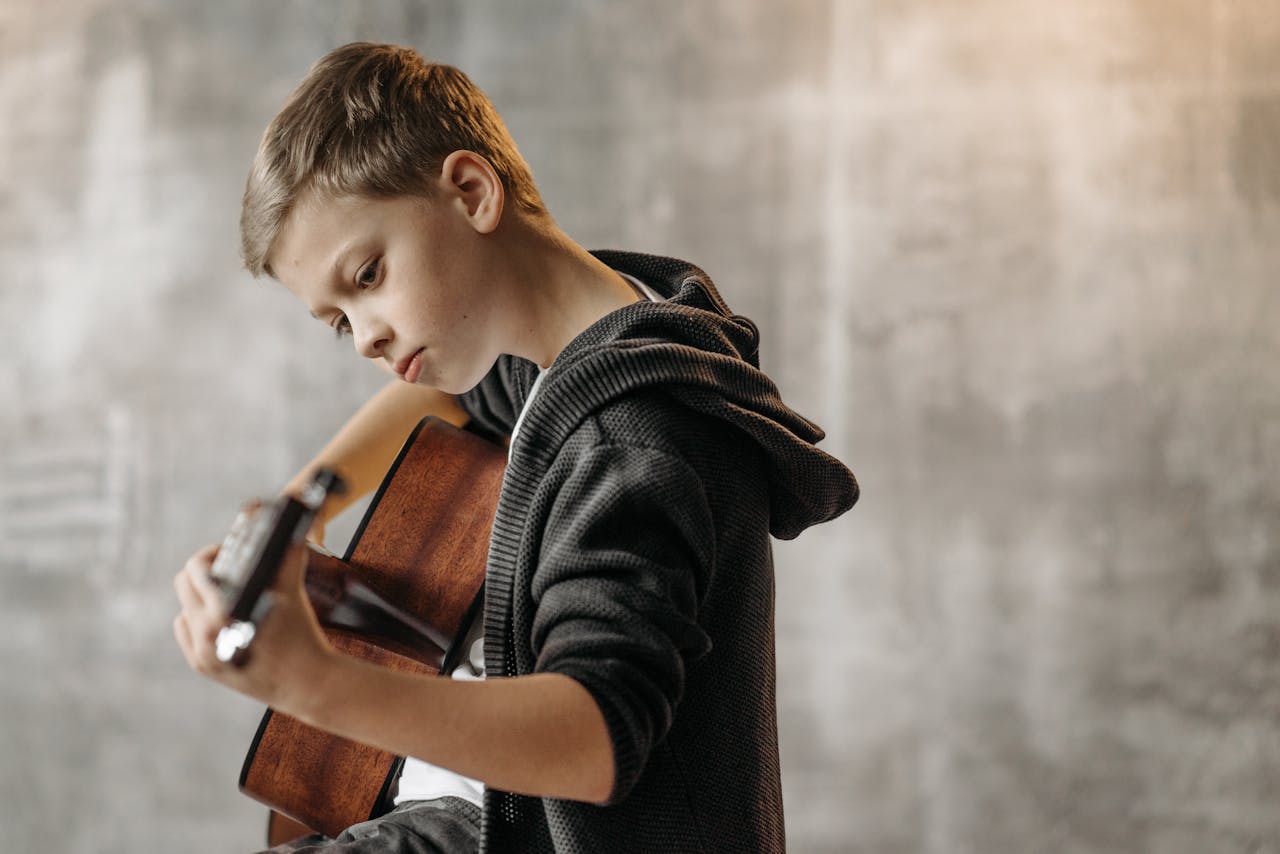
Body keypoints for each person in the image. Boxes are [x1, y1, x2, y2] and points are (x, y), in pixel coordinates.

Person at [172, 42, 858, 854]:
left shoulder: (633, 440)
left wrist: (311, 682)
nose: (362, 339)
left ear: (470, 191)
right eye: (338, 322)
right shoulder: (573, 349)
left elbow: (594, 735)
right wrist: (304, 503)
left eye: (365, 277)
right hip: (447, 802)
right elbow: (446, 392)